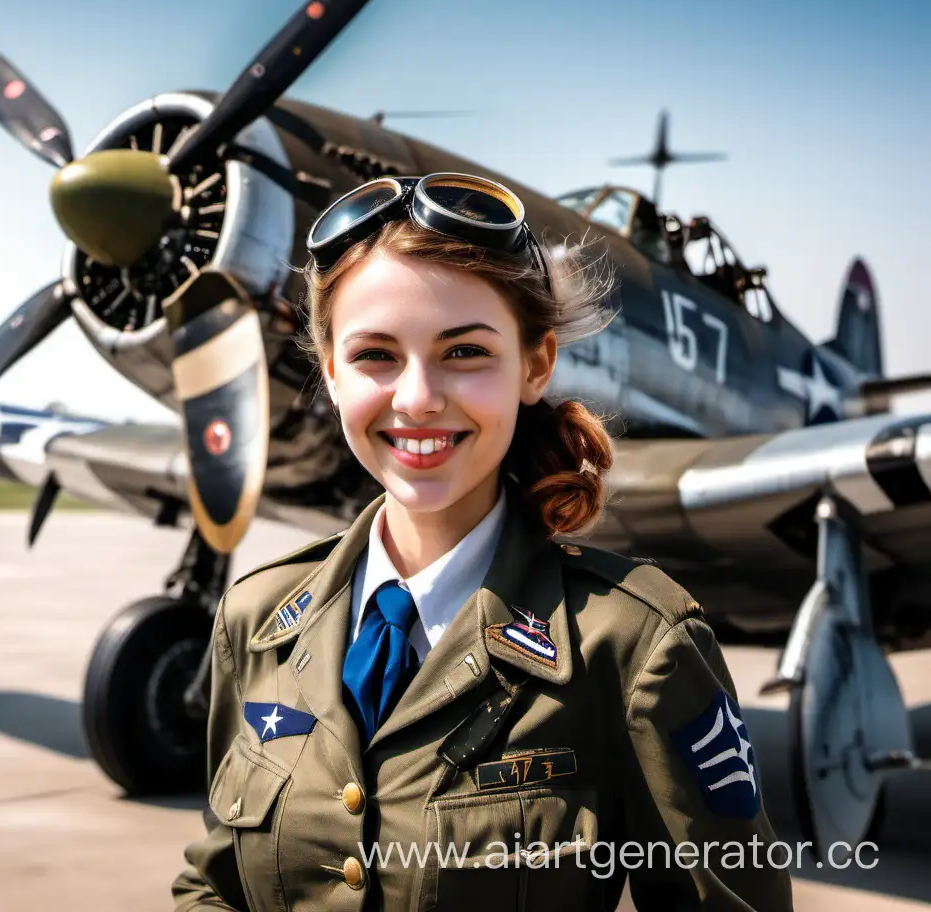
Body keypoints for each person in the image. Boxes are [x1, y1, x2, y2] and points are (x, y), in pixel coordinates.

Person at [172, 173, 793, 911]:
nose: (416, 398)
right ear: (331, 371)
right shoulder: (255, 620)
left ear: (535, 365)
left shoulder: (635, 644)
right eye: (375, 355)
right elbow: (212, 886)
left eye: (464, 353)